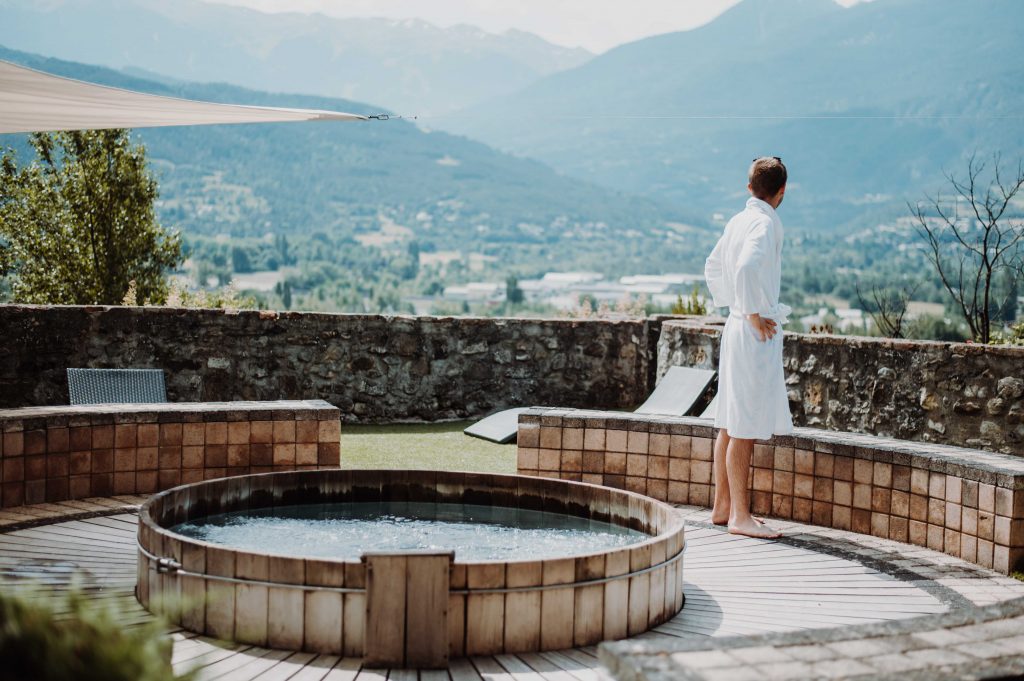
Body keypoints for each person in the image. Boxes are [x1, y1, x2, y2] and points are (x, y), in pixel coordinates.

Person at [703, 157, 794, 539]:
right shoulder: (765, 221)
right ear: (782, 191)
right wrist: (753, 314)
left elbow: (713, 267)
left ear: (749, 187)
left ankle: (722, 507)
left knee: (729, 419)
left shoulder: (738, 220)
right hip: (751, 333)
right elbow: (745, 267)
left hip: (734, 327)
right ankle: (740, 516)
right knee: (743, 426)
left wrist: (736, 308)